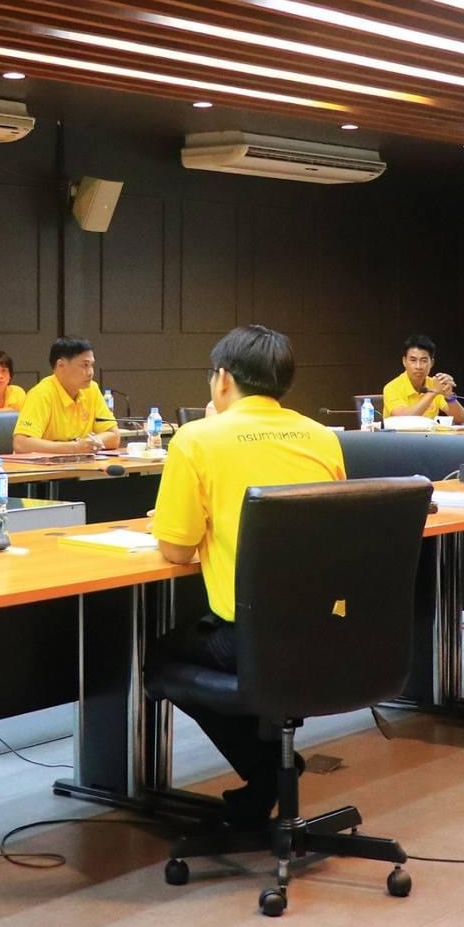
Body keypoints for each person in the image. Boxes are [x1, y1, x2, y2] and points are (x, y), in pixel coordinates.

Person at [149, 325, 346, 823]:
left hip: (249, 639)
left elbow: (176, 550)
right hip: (331, 631)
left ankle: (265, 770)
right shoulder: (322, 438)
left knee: (155, 655)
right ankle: (268, 775)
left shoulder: (197, 439)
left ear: (222, 379)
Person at [13, 336, 119, 454]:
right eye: (85, 365)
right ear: (61, 365)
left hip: (80, 463)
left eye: (91, 365)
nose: (91, 372)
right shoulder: (41, 394)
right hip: (45, 464)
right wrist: (74, 447)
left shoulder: (92, 389)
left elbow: (114, 436)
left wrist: (92, 442)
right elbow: (21, 444)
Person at [382, 334, 462, 420]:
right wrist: (433, 392)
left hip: (429, 429)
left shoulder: (434, 384)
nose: (418, 366)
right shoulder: (392, 388)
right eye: (413, 360)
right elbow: (404, 420)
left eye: (424, 361)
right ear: (404, 361)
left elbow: (460, 420)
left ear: (431, 363)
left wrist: (449, 396)